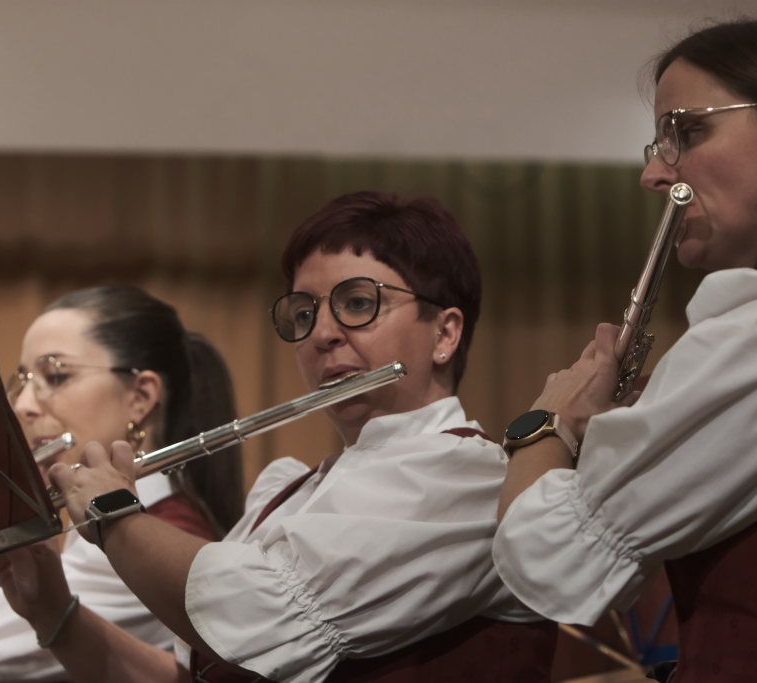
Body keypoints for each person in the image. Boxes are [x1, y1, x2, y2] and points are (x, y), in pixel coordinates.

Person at [493, 11, 757, 682]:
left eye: (687, 131)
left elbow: (555, 562)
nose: (655, 174)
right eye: (658, 142)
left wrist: (547, 421)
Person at [29, 191, 556, 682]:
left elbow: (257, 617)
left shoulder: (471, 479)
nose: (322, 334)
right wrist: (54, 614)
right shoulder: (291, 490)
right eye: (304, 313)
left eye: (358, 303)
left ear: (444, 333)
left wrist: (114, 514)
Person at [0, 285, 244, 682]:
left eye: (56, 375)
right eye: (23, 381)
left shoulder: (148, 537)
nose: (22, 405)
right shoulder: (112, 533)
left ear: (140, 397)